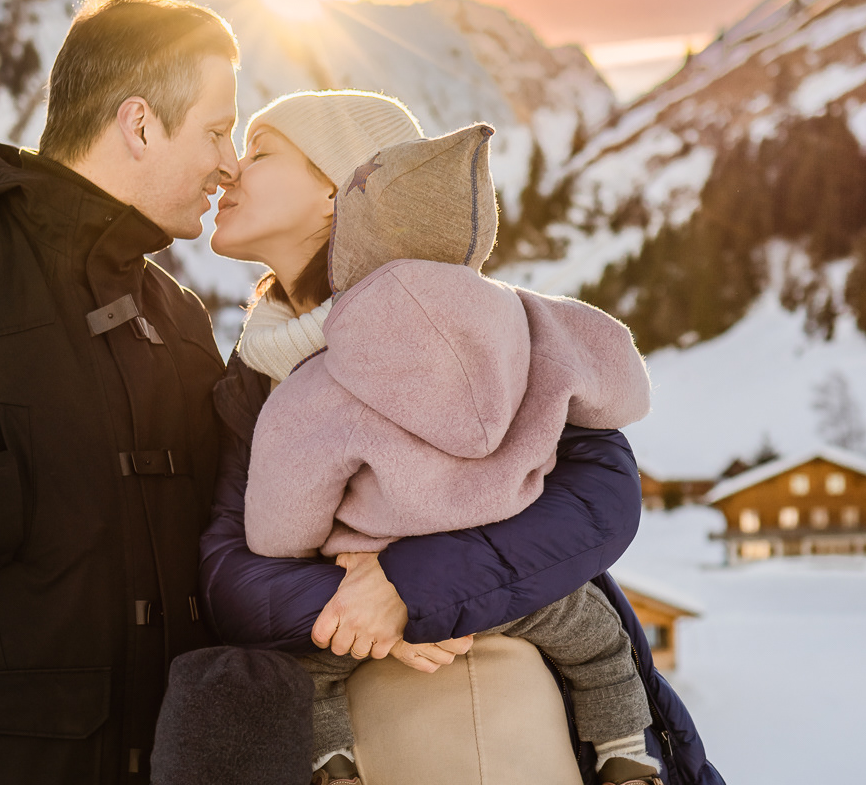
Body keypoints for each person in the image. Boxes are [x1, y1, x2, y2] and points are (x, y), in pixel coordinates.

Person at [0, 0, 664, 785]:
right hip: (8, 759)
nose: (226, 164)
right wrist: (16, 498)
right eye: (218, 132)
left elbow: (232, 539)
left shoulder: (172, 313)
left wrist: (411, 593)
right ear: (140, 123)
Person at [200, 90, 723, 785]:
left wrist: (412, 589)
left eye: (260, 151)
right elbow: (228, 571)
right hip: (380, 700)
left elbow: (601, 497)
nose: (229, 170)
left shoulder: (478, 330)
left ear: (339, 191)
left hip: (509, 713)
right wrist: (360, 603)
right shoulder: (252, 378)